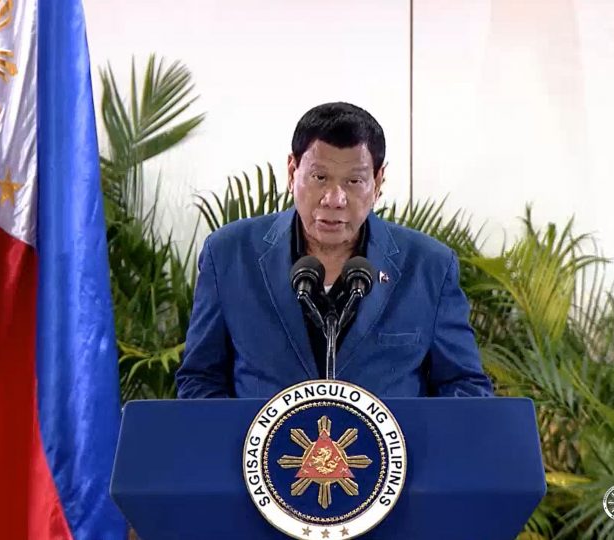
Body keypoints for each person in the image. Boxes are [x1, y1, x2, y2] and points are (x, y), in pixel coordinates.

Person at [175, 102, 492, 398]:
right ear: (292, 172)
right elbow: (200, 379)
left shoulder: (429, 266)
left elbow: (464, 386)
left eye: (354, 181)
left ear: (378, 181)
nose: (334, 199)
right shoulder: (229, 255)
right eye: (319, 177)